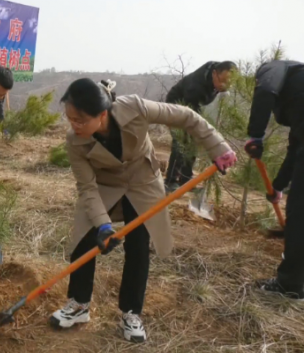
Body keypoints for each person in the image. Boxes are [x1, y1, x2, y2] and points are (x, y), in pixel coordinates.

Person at [50, 78, 236, 342]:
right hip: (106, 186)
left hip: (142, 181)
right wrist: (103, 225)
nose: (74, 126)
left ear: (102, 114)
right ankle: (79, 305)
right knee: (83, 237)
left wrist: (219, 146)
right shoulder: (75, 140)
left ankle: (130, 312)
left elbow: (185, 116)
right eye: (70, 119)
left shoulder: (135, 108)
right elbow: (87, 187)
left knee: (138, 247)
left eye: (80, 120)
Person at [244, 59, 304, 300]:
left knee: (300, 215)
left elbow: (266, 90)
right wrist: (277, 187)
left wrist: (255, 135)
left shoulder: (275, 68)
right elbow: (295, 150)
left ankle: (289, 285)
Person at [164, 61, 237, 193]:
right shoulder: (196, 87)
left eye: (229, 83)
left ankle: (186, 181)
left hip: (193, 107)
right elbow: (192, 115)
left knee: (192, 144)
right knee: (181, 143)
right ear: (215, 74)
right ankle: (171, 181)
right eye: (223, 81)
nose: (225, 86)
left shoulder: (214, 73)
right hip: (176, 106)